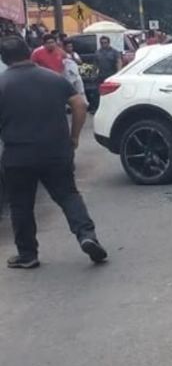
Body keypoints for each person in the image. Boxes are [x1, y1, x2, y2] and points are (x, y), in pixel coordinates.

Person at [0, 36, 107, 268]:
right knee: (68, 195)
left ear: (4, 58)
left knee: (21, 205)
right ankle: (87, 236)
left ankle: (28, 255)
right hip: (56, 151)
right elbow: (80, 105)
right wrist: (74, 137)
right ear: (29, 52)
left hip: (18, 156)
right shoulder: (52, 79)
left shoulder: (2, 83)